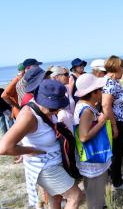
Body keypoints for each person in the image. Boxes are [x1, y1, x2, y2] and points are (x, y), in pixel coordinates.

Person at [0, 80, 82, 208]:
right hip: (45, 166)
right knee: (75, 196)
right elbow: (4, 147)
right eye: (54, 107)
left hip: (54, 161)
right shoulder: (28, 116)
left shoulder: (44, 110)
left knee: (56, 199)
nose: (57, 111)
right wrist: (30, 150)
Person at [74, 73, 111, 209]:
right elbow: (84, 136)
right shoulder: (87, 111)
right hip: (93, 158)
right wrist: (101, 122)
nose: (101, 92)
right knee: (95, 190)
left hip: (89, 157)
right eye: (99, 90)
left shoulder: (82, 105)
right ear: (93, 93)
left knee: (93, 190)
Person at [102, 55, 123, 189]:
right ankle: (117, 182)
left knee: (118, 152)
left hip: (120, 122)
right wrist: (114, 126)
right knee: (116, 153)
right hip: (116, 123)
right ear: (117, 68)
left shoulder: (113, 81)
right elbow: (106, 106)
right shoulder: (109, 83)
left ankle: (117, 176)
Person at [49, 66, 75, 133]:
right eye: (66, 74)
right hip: (63, 125)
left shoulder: (67, 88)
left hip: (73, 122)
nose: (68, 76)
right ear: (56, 77)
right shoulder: (51, 92)